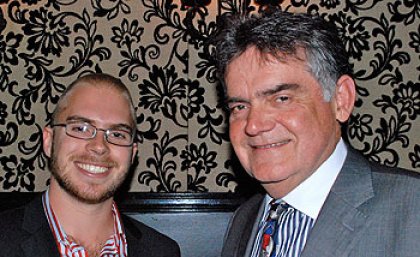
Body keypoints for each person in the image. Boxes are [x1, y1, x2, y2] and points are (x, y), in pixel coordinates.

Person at [213, 10, 420, 257]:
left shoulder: (411, 209)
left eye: (281, 98)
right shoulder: (245, 219)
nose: (254, 125)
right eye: (240, 106)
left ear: (341, 100)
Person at [0, 73, 180, 257]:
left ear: (132, 154)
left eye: (117, 134)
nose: (99, 146)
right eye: (81, 128)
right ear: (49, 141)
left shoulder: (162, 251)